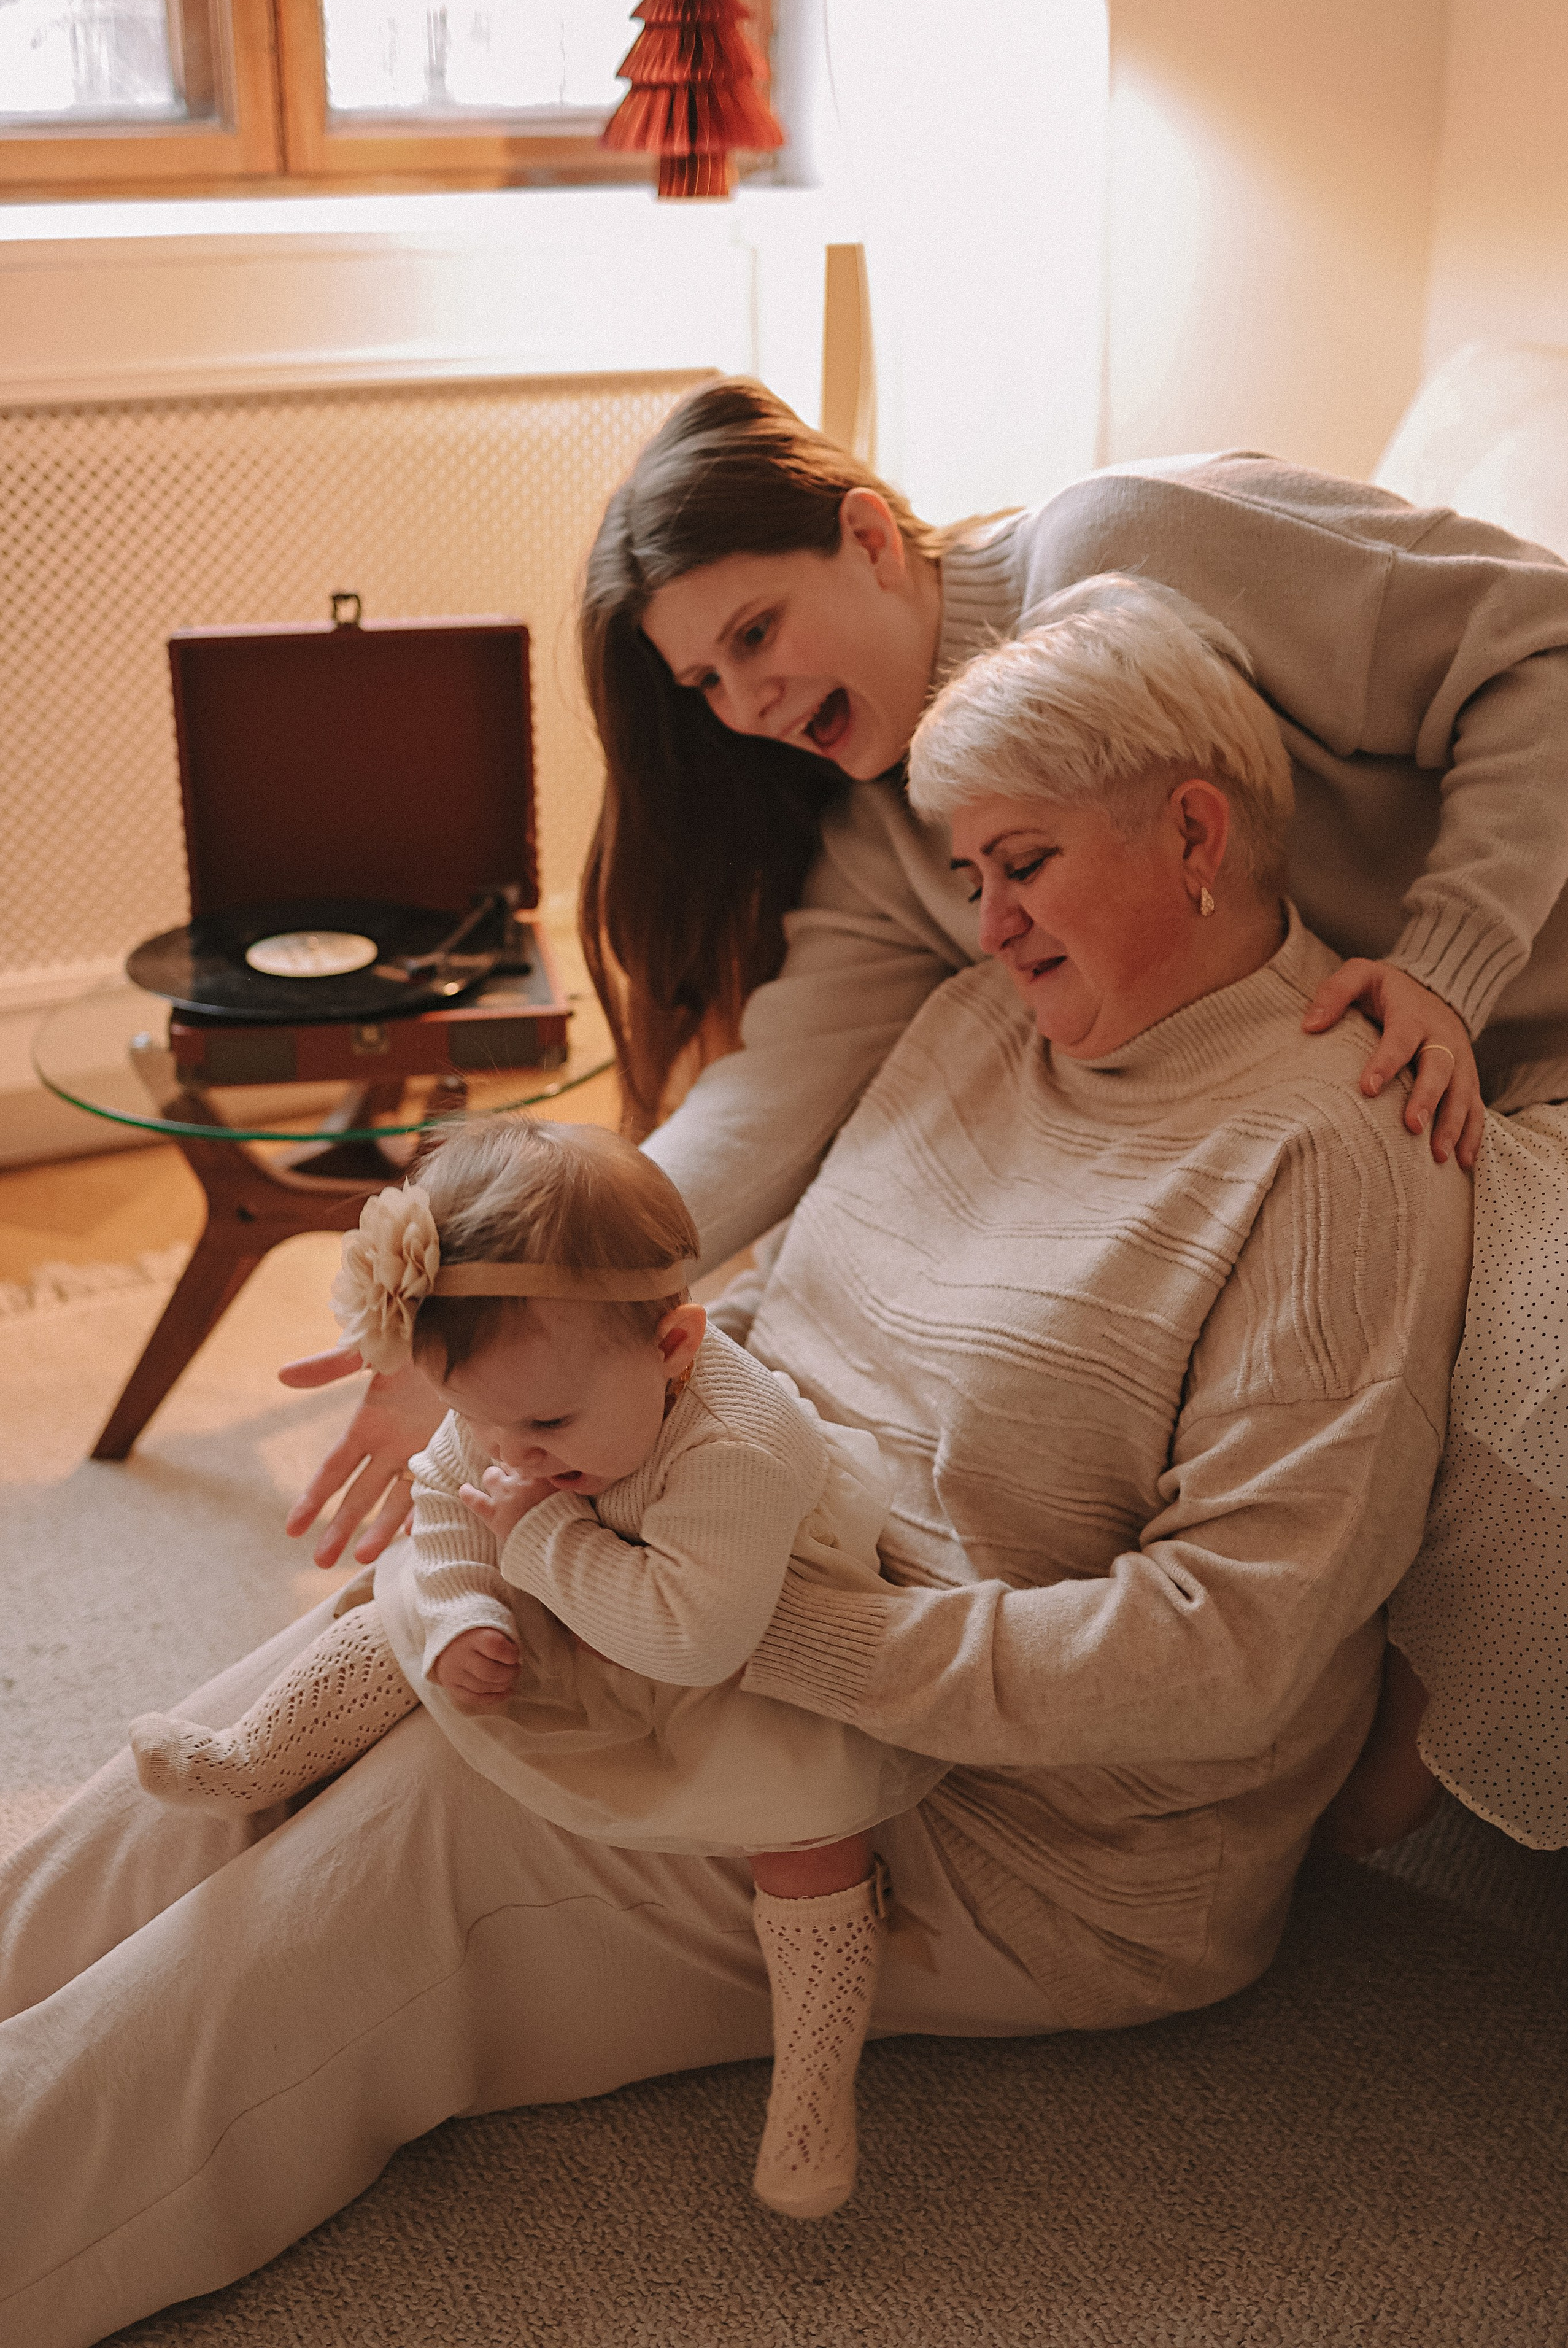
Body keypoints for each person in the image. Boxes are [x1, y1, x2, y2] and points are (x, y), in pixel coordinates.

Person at [0, 578, 1473, 2345]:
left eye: (1022, 866)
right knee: (318, 1697)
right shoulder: (982, 1023)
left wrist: (736, 1623)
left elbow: (1226, 1653)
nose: (986, 923)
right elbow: (781, 1294)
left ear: (1195, 832)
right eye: (967, 876)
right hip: (714, 1590)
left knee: (416, 1832)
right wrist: (569, 1435)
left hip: (1010, 1826)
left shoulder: (1335, 1160)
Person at [279, 379, 1568, 1858]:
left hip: (1512, 998)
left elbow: (1538, 643)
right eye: (704, 684)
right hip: (1350, 1041)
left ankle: (1398, 1789)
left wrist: (1450, 963)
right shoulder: (894, 842)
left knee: (1535, 1336)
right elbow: (769, 1093)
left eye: (755, 633)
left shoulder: (1136, 535)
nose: (746, 704)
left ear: (869, 537)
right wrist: (524, 1296)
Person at [127, 1115, 946, 2220]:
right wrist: (467, 1604)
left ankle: (812, 2094)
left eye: (547, 1421)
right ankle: (253, 1754)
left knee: (810, 1833)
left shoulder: (736, 1453)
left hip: (746, 1634)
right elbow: (445, 1496)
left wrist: (540, 1541)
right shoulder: (515, 1414)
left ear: (675, 1348)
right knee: (399, 1604)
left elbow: (691, 1637)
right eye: (479, 1416)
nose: (510, 1449)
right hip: (586, 1570)